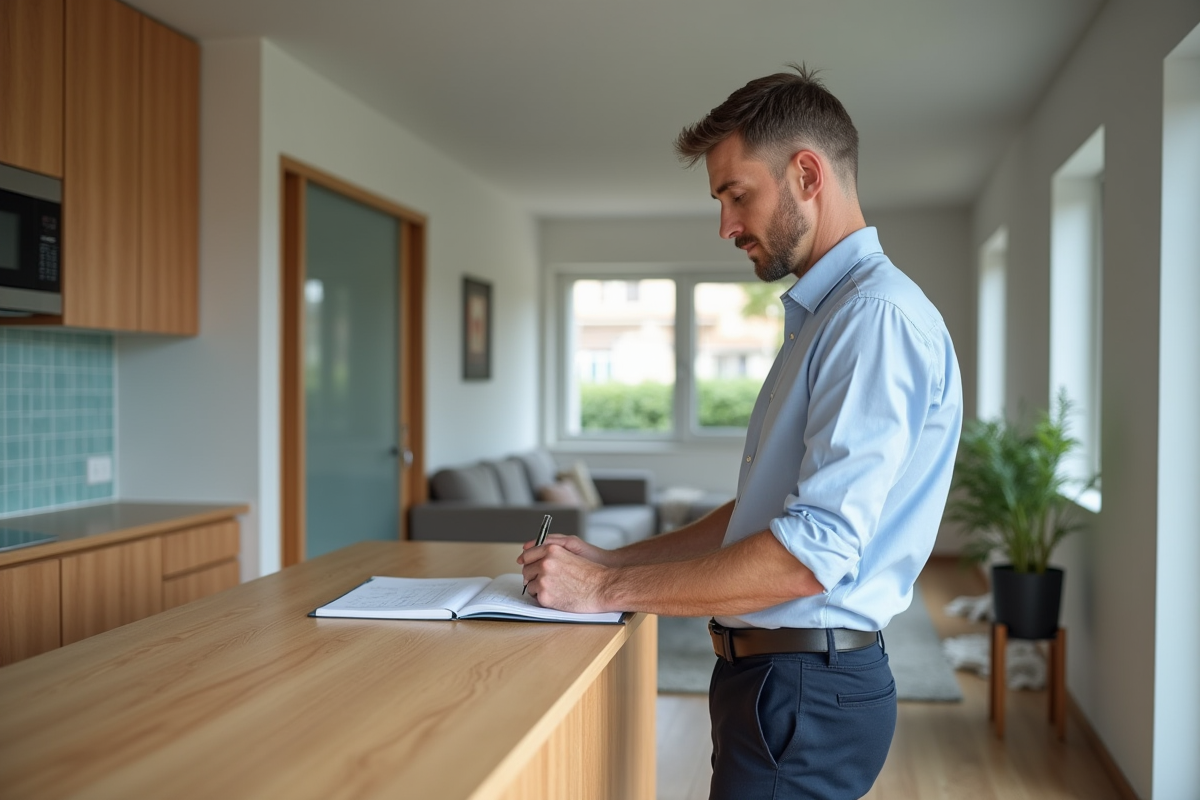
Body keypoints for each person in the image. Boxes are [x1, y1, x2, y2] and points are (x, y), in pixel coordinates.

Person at [518, 64, 963, 800]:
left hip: (804, 692)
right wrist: (612, 558)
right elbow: (761, 516)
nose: (726, 225)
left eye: (736, 194)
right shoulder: (828, 319)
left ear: (807, 174)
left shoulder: (873, 321)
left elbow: (808, 556)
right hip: (777, 683)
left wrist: (606, 588)